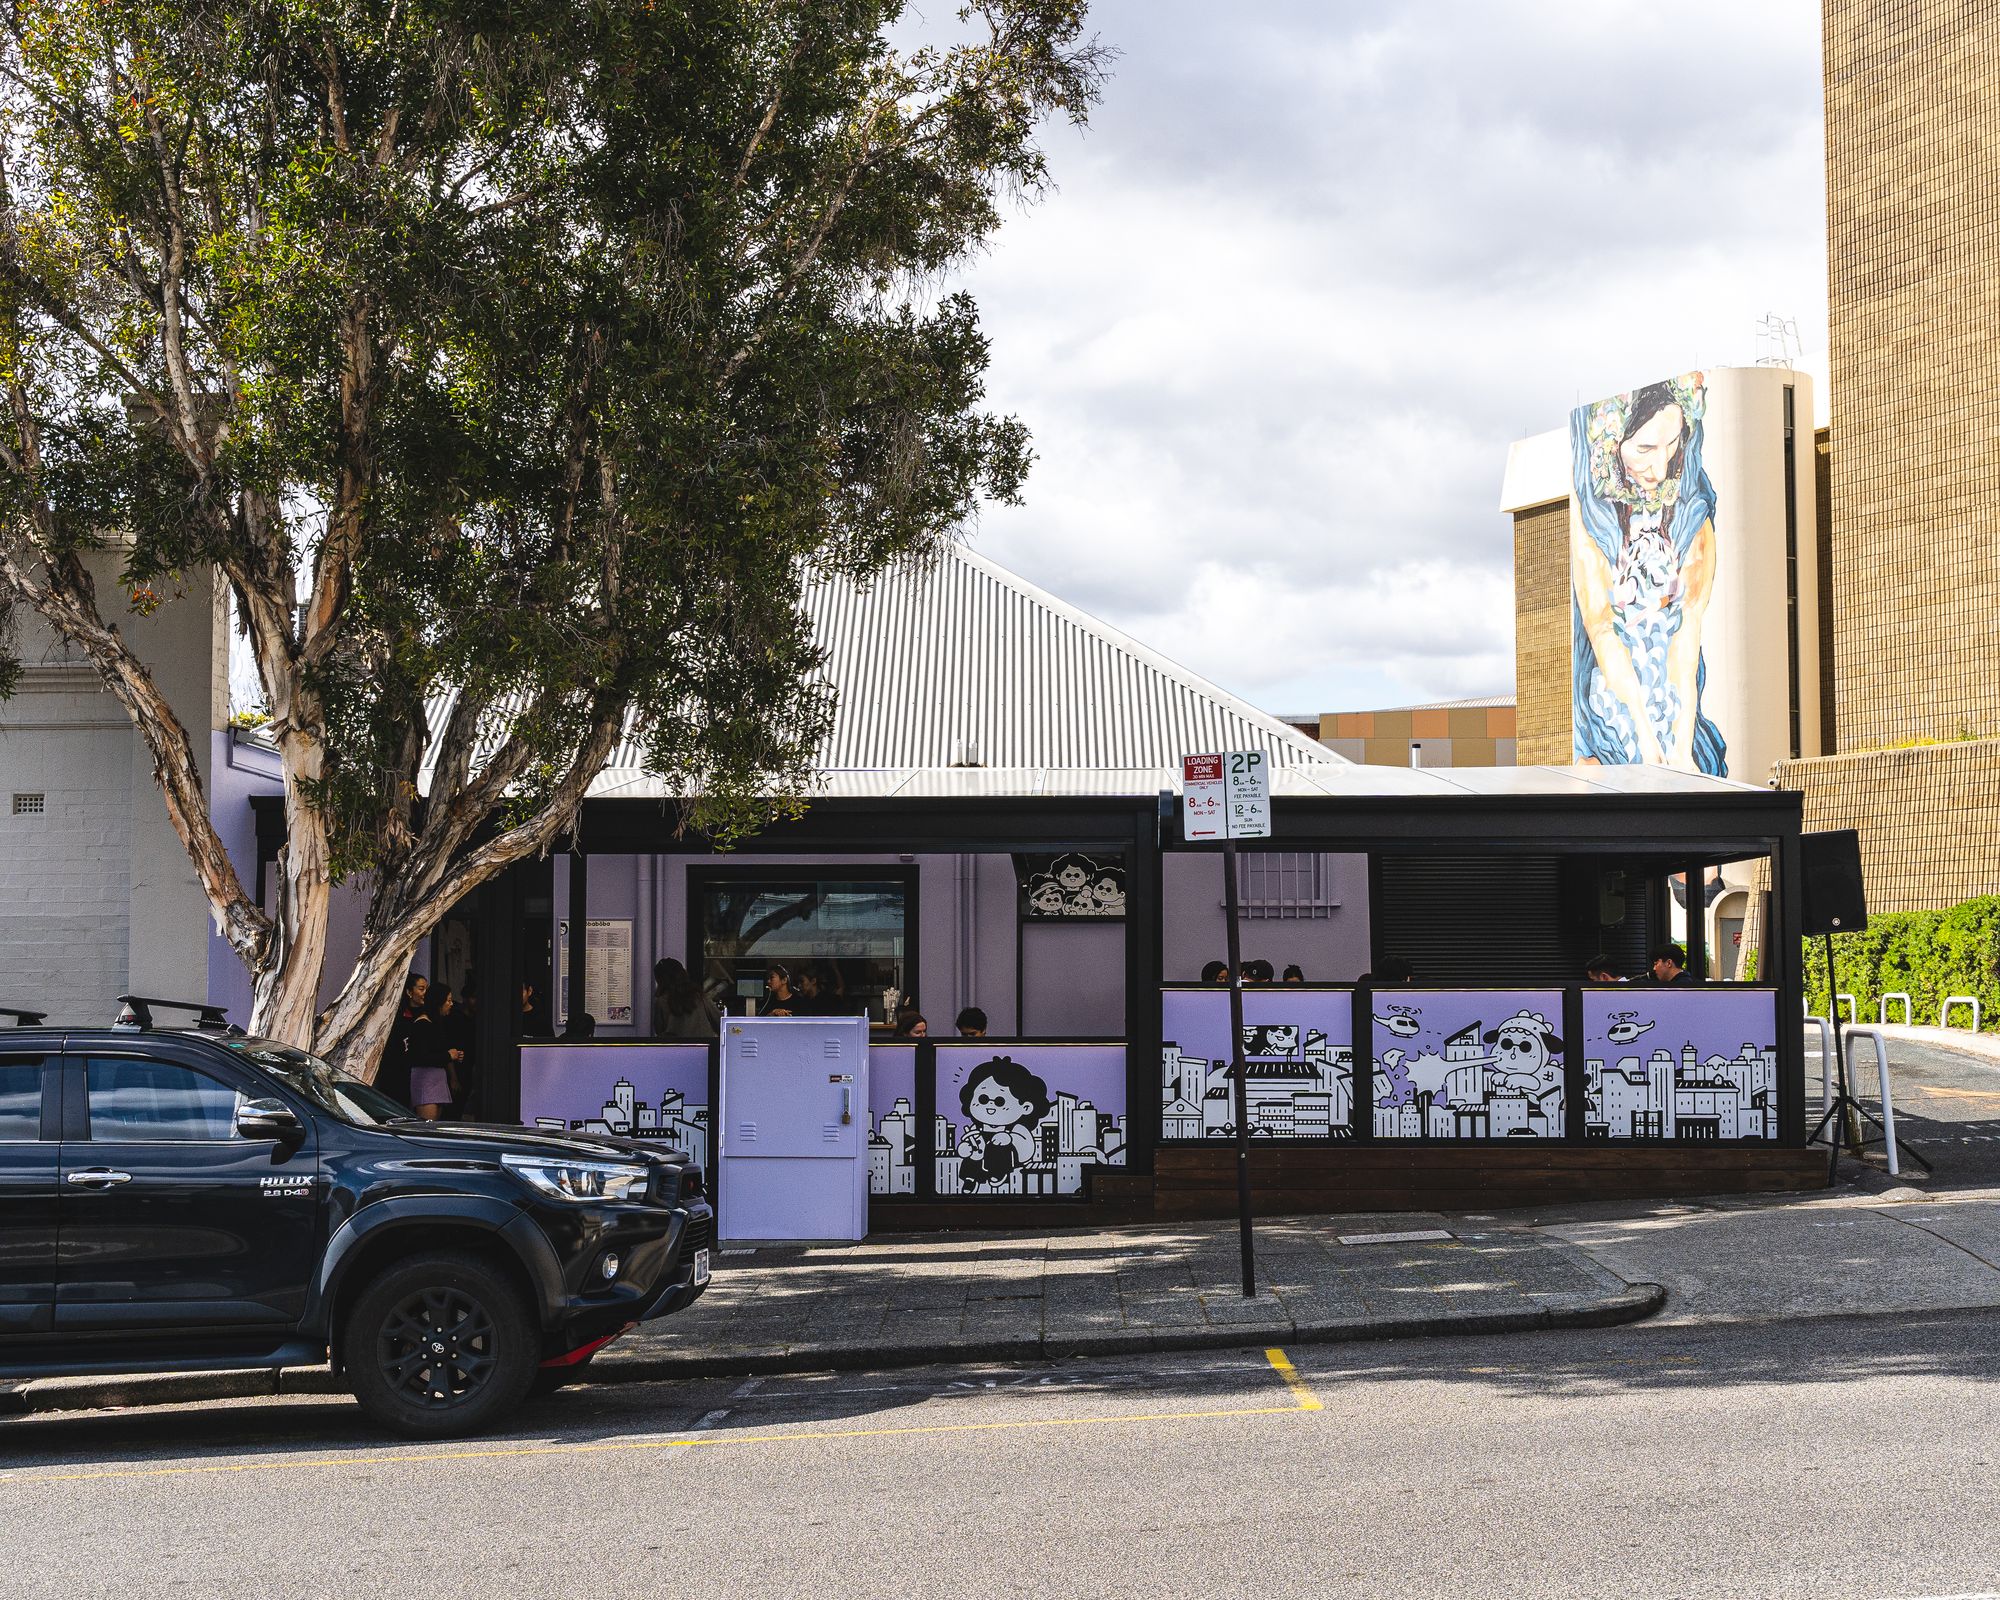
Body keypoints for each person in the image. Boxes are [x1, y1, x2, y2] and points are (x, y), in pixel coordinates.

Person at [1571, 373, 1726, 773]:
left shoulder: (1692, 516)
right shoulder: (1593, 522)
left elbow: (1688, 631)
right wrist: (1643, 736)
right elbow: (1601, 630)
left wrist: (1683, 742)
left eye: (1672, 444)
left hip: (1675, 700)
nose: (1660, 467)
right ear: (1612, 443)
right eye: (1644, 449)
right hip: (1615, 702)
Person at [380, 973, 426, 1106]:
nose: (425, 993)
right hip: (398, 1073)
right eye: (421, 989)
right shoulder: (398, 1016)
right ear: (409, 992)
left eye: (426, 989)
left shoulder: (427, 1014)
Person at [653, 957, 719, 1039]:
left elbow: (659, 1030)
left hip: (677, 1049)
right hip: (704, 1047)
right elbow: (718, 1021)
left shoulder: (661, 1002)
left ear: (661, 980)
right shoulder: (700, 997)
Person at [407, 987, 447, 1119]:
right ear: (438, 1003)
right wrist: (448, 1056)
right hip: (426, 1079)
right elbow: (421, 1056)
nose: (451, 1004)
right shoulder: (422, 1024)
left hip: (437, 1078)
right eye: (448, 1000)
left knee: (436, 1125)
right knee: (428, 1126)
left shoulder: (436, 1023)